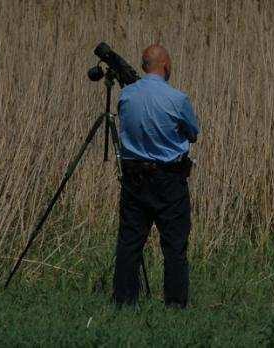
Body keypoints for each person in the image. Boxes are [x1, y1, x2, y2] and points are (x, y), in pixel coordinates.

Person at [113, 44, 199, 309]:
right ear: (165, 65)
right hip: (169, 180)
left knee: (130, 241)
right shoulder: (177, 98)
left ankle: (125, 302)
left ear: (143, 66)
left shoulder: (126, 96)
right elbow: (193, 132)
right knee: (174, 245)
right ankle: (174, 304)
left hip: (135, 178)